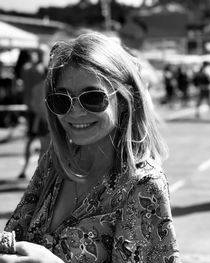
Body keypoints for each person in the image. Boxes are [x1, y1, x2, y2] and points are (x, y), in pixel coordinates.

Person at [2, 32, 180, 263]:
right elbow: (14, 237)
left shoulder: (143, 184)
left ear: (126, 100)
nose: (75, 112)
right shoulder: (55, 162)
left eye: (92, 98)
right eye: (62, 99)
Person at [17, 49, 50, 180]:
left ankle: (26, 169)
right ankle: (41, 174)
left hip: (32, 108)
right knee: (44, 143)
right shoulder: (38, 70)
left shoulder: (26, 69)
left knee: (32, 141)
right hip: (39, 110)